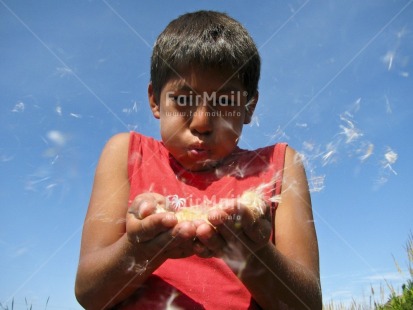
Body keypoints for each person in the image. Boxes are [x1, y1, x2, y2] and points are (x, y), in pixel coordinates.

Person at [75, 10, 322, 310]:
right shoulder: (126, 153)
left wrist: (249, 253)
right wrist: (139, 251)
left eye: (225, 101)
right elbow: (89, 294)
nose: (202, 122)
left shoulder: (280, 165)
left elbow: (308, 305)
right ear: (155, 100)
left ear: (248, 107)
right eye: (182, 99)